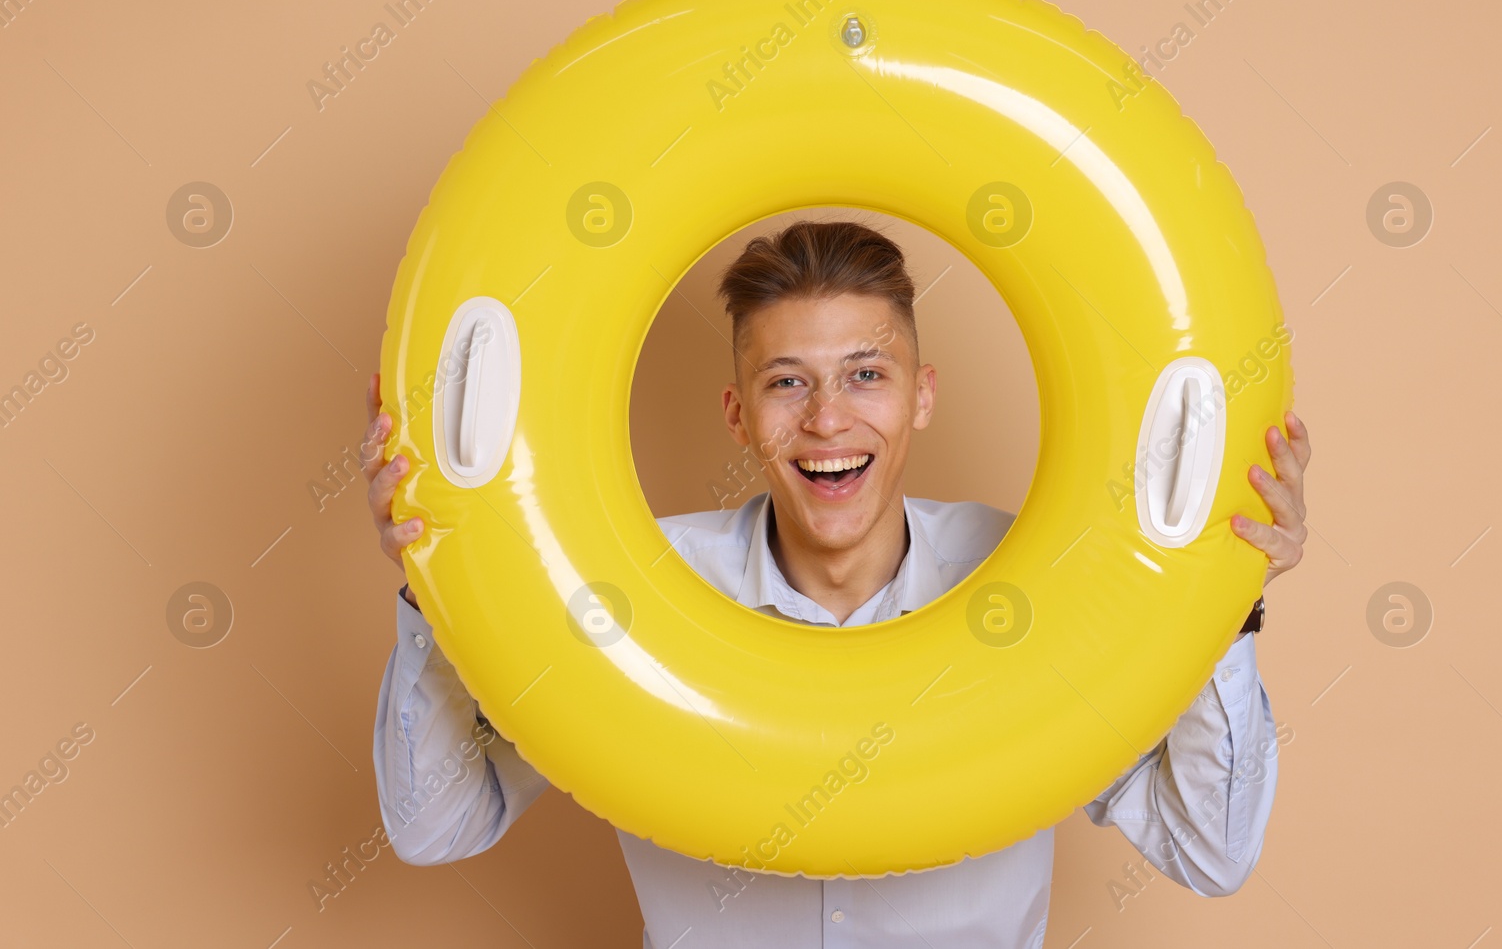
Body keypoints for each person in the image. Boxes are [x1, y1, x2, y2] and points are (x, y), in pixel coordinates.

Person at [365, 221, 1312, 948]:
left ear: (922, 395)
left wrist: (1220, 594)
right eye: (787, 383)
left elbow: (1209, 850)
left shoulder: (1034, 584)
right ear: (738, 415)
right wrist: (439, 579)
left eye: (866, 374)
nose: (827, 420)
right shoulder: (632, 593)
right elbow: (435, 824)